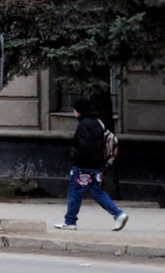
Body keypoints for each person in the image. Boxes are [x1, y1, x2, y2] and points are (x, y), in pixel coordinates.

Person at [54, 96, 129, 231]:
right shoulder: (97, 122)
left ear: (80, 110)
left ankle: (70, 221)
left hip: (83, 166)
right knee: (97, 192)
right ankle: (118, 214)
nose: (74, 112)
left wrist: (74, 156)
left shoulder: (84, 125)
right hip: (96, 166)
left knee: (74, 192)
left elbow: (85, 146)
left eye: (75, 110)